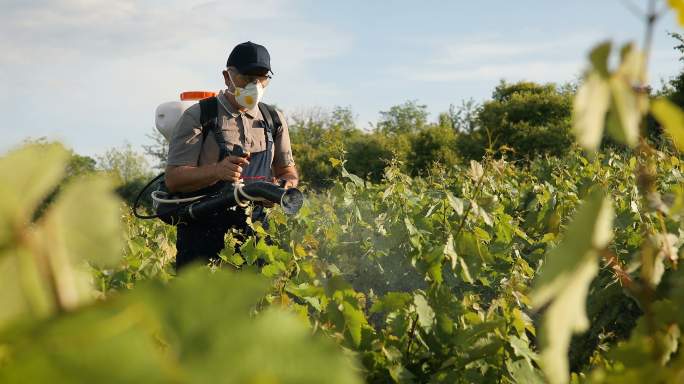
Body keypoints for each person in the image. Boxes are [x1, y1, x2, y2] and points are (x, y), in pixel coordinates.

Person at [164, 41, 299, 270]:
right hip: (203, 235)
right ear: (228, 77)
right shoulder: (200, 115)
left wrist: (282, 187)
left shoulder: (273, 119)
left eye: (262, 78)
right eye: (247, 78)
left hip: (255, 236)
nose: (255, 85)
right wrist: (217, 171)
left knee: (256, 304)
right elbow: (174, 179)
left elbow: (287, 171)